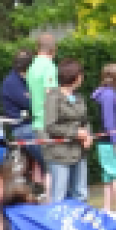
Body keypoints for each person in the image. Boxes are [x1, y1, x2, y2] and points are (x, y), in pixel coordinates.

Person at [42, 58, 93, 202]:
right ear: (74, 76)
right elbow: (50, 126)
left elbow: (85, 121)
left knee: (81, 194)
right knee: (59, 196)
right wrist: (75, 133)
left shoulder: (79, 97)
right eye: (81, 74)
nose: (82, 77)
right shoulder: (53, 97)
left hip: (79, 152)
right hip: (59, 154)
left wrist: (88, 135)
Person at [0, 50, 45, 197]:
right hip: (23, 127)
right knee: (49, 159)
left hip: (32, 125)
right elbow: (30, 103)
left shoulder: (24, 80)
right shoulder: (12, 83)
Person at [92, 63, 116, 214]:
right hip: (109, 141)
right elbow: (109, 122)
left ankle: (107, 208)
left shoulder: (104, 93)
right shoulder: (109, 95)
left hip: (104, 141)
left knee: (108, 176)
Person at [26, 32, 58, 134]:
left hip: (37, 122)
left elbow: (30, 94)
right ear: (53, 49)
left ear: (37, 48)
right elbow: (50, 93)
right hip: (49, 124)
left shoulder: (32, 67)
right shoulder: (49, 66)